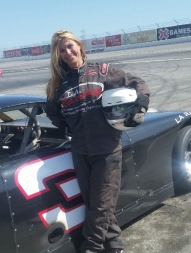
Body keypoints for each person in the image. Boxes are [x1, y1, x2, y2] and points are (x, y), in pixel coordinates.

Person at [45, 30, 150, 253]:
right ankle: (114, 246)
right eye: (61, 50)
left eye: (70, 47)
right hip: (80, 150)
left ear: (79, 46)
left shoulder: (103, 71)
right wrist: (68, 126)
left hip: (107, 149)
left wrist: (140, 105)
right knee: (96, 204)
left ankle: (90, 247)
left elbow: (136, 83)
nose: (67, 53)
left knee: (101, 205)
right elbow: (52, 111)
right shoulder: (59, 84)